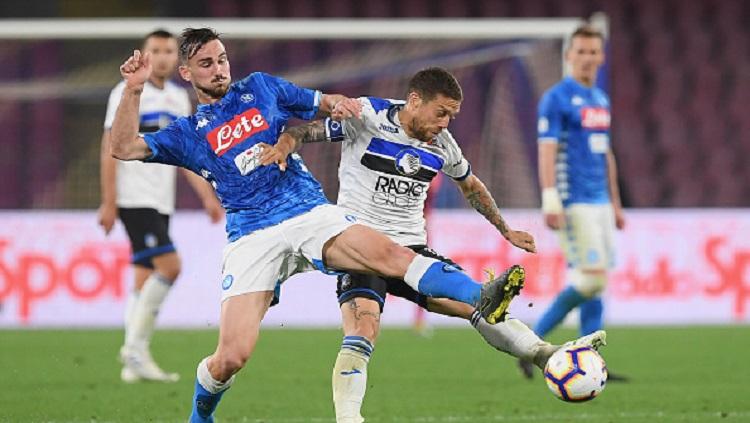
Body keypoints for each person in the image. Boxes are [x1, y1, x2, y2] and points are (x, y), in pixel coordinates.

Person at [109, 28, 527, 423]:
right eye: (206, 64)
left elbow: (323, 103)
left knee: (390, 254)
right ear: (186, 73)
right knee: (231, 358)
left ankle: (483, 296)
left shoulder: (261, 87)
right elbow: (124, 146)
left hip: (309, 212)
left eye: (221, 59)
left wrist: (340, 104)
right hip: (251, 234)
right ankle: (201, 416)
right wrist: (134, 88)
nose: (218, 69)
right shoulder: (188, 132)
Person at [276, 67, 607, 422]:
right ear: (415, 101)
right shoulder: (368, 116)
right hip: (360, 247)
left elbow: (471, 186)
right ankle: (348, 419)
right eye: (442, 112)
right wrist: (284, 146)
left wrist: (505, 229)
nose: (446, 122)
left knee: (477, 309)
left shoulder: (442, 145)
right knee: (363, 328)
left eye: (452, 115)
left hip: (410, 252)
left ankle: (546, 356)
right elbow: (305, 132)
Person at [98, 29, 223, 383]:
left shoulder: (178, 100)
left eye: (170, 50)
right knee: (170, 266)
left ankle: (132, 360)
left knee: (143, 275)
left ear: (178, 59)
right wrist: (109, 202)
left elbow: (186, 156)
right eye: (157, 50)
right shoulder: (125, 94)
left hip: (161, 200)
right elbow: (110, 148)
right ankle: (135, 350)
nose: (164, 56)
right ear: (145, 54)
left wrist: (206, 196)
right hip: (133, 197)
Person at [519, 26, 626, 380]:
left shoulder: (600, 99)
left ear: (601, 56)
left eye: (593, 51)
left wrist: (615, 202)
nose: (587, 57)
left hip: (599, 202)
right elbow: (546, 150)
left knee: (597, 283)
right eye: (580, 51)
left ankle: (591, 363)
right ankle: (531, 344)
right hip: (573, 201)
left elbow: (605, 153)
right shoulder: (556, 98)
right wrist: (550, 199)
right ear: (569, 55)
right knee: (592, 280)